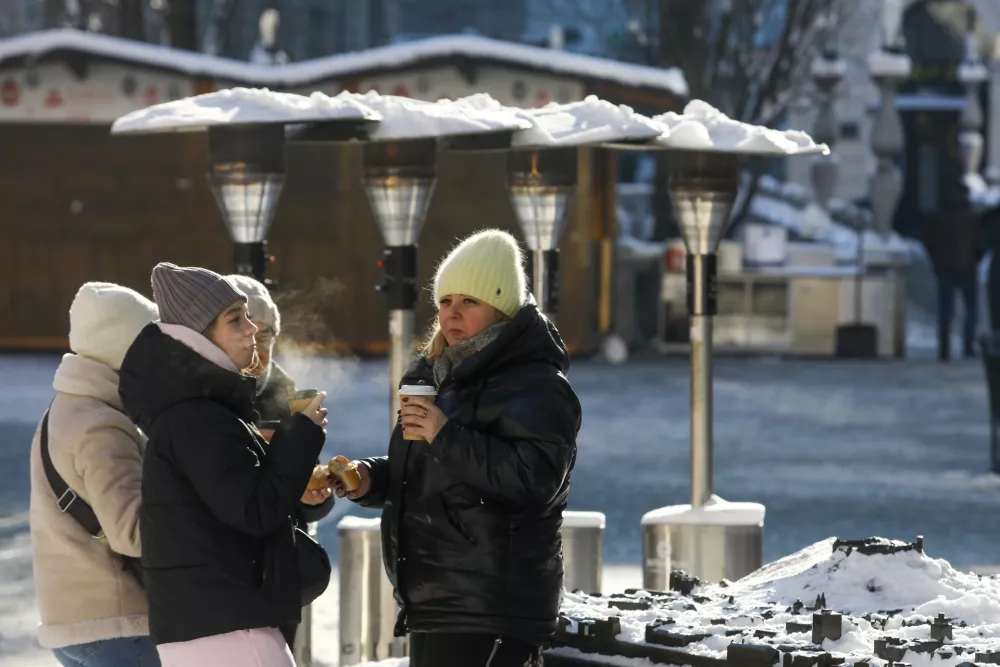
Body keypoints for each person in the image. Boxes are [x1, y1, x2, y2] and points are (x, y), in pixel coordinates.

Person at [334, 230, 582, 667]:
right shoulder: (438, 375)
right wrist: (372, 478)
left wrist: (443, 433)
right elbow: (433, 473)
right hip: (435, 600)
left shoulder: (538, 385)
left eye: (470, 301)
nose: (452, 313)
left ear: (502, 308)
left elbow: (534, 481)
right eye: (446, 301)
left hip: (492, 607)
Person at [118, 263, 329, 667]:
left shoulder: (189, 410)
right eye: (236, 319)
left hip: (211, 626)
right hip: (229, 630)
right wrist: (299, 437)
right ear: (199, 338)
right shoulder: (199, 417)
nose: (252, 328)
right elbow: (254, 511)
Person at [29, 282, 161, 667]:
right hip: (119, 625)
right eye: (150, 343)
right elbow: (134, 533)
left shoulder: (64, 410)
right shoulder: (101, 426)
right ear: (126, 351)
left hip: (77, 622)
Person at [228, 274, 333, 650]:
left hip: (276, 577)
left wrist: (313, 495)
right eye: (249, 336)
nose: (258, 350)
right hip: (217, 581)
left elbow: (305, 495)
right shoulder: (201, 400)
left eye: (267, 337)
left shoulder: (287, 397)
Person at [923, 178, 984, 360]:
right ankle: (967, 345)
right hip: (967, 267)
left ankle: (944, 348)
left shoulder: (940, 216)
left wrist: (937, 260)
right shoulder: (972, 217)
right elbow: (980, 243)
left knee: (945, 311)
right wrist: (975, 259)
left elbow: (929, 241)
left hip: (945, 268)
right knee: (971, 309)